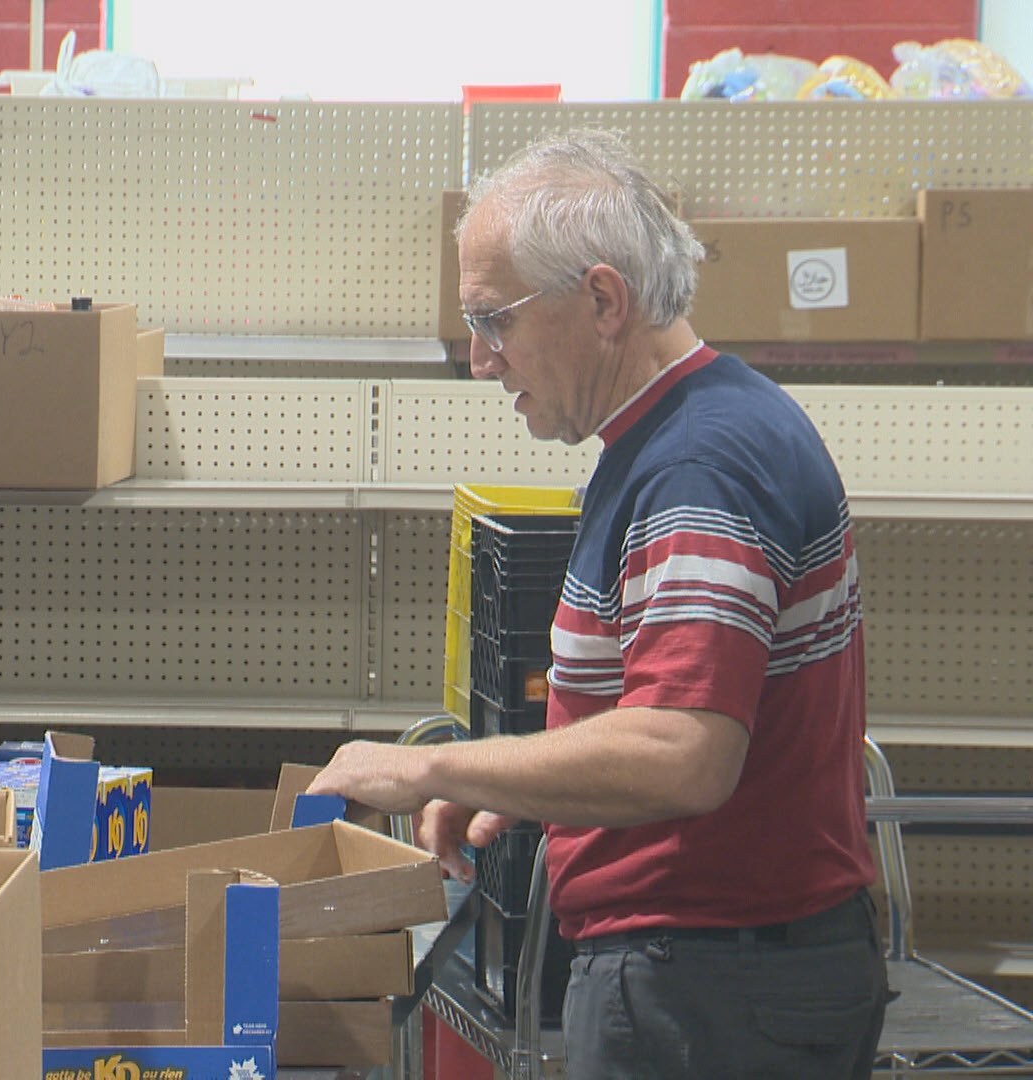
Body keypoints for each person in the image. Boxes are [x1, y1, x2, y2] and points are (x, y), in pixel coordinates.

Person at [308, 129, 891, 1079]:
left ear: (604, 300)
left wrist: (429, 769)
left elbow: (683, 753)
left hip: (706, 999)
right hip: (723, 980)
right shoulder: (689, 430)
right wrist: (509, 785)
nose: (480, 361)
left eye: (494, 321)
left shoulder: (698, 471)